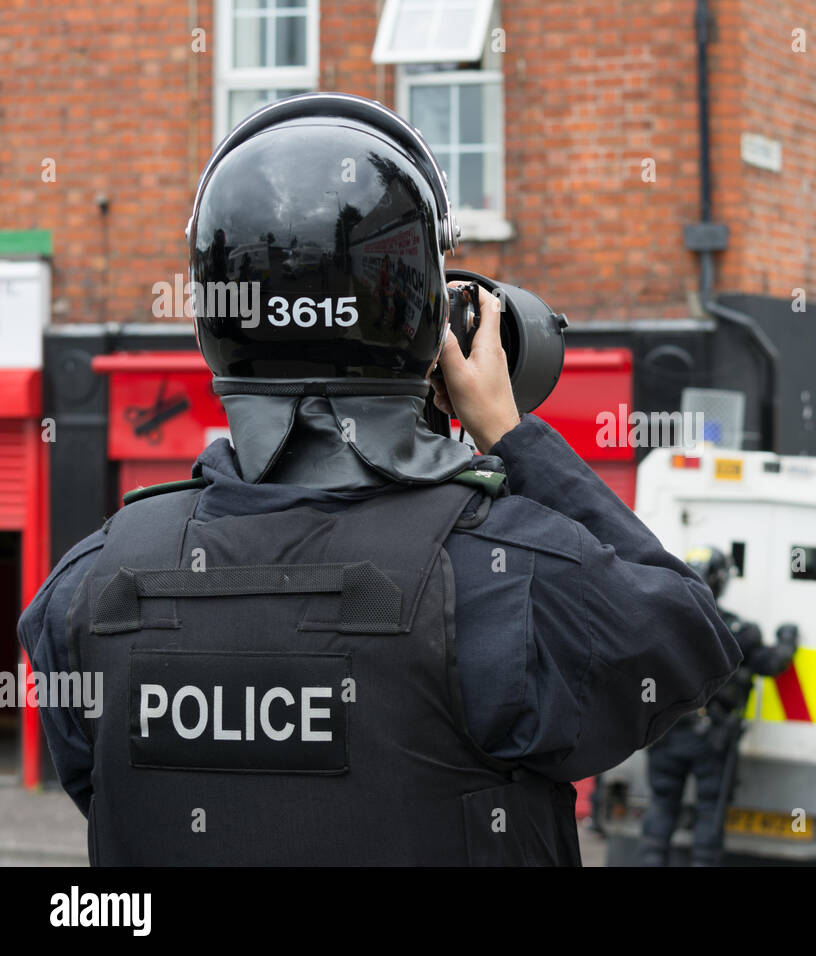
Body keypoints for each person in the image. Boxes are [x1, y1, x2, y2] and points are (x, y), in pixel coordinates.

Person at [17, 93, 741, 866]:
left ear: (209, 322)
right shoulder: (512, 582)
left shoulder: (85, 595)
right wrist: (510, 436)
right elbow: (689, 641)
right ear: (430, 329)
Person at [637, 546, 798, 866]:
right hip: (712, 741)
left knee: (661, 809)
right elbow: (771, 663)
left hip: (665, 736)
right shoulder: (738, 631)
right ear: (721, 581)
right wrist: (788, 639)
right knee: (708, 819)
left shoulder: (661, 622)